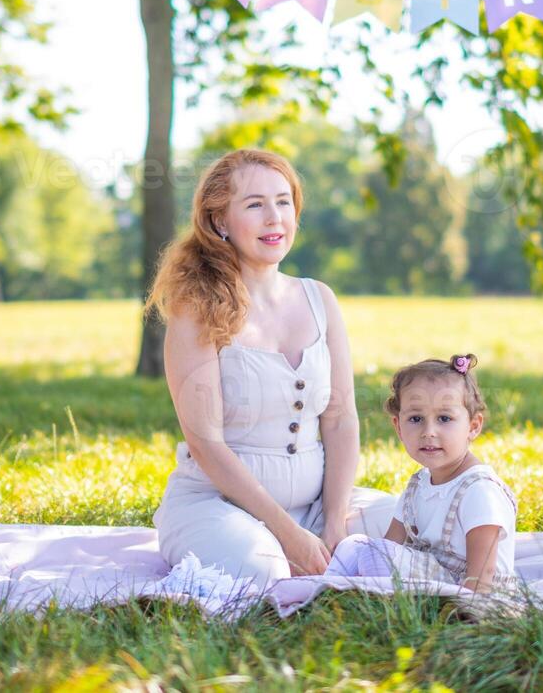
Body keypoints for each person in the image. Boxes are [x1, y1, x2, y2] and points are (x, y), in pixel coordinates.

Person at [147, 149, 399, 586]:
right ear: (220, 221)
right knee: (262, 568)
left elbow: (340, 419)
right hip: (217, 507)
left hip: (317, 507)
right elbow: (205, 443)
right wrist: (288, 535)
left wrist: (335, 525)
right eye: (255, 204)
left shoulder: (319, 298)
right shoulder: (197, 308)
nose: (274, 218)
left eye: (283, 202)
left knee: (425, 529)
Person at [325, 352, 521, 593]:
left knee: (372, 555)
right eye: (416, 418)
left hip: (466, 590)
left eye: (444, 418)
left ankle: (348, 588)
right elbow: (390, 544)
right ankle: (327, 588)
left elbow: (482, 578)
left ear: (473, 426)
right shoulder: (419, 485)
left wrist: (466, 612)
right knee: (355, 545)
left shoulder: (479, 490)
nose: (429, 431)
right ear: (398, 426)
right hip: (429, 577)